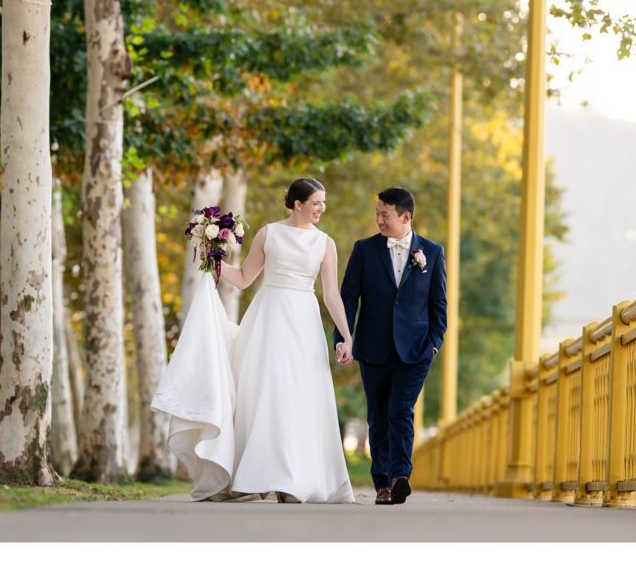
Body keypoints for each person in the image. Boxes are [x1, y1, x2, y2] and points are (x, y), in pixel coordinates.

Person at [152, 178, 356, 504]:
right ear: (298, 204)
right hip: (268, 317)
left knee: (299, 396)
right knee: (264, 393)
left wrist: (347, 335)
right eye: (316, 202)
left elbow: (331, 294)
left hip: (303, 321)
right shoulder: (268, 233)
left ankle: (293, 481)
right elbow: (245, 278)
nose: (321, 208)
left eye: (324, 202)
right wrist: (214, 258)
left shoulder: (325, 243)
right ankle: (256, 475)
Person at [334, 187, 447, 505]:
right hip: (372, 347)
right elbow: (347, 299)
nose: (379, 219)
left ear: (405, 216)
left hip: (416, 350)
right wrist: (344, 339)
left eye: (385, 214)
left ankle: (399, 476)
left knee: (401, 410)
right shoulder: (364, 249)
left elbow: (439, 305)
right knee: (379, 416)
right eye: (377, 213)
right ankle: (382, 483)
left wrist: (434, 344)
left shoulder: (433, 252)